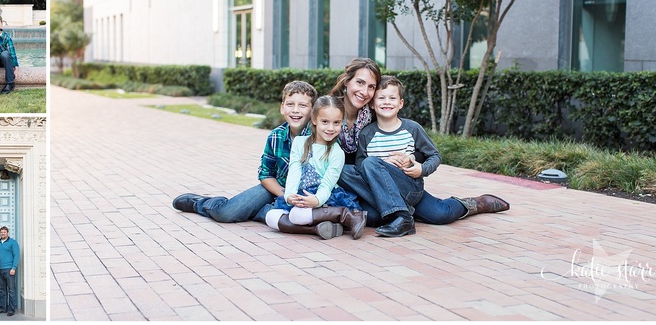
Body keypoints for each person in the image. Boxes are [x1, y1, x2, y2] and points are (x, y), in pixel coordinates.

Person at [339, 76, 510, 235]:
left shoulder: (412, 128)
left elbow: (434, 156)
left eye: (392, 98)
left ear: (401, 103)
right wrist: (381, 164)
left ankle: (475, 204)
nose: (387, 102)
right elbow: (360, 165)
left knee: (442, 214)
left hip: (408, 187)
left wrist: (421, 168)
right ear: (372, 104)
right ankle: (401, 213)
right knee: (350, 171)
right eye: (381, 98)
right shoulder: (367, 133)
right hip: (379, 192)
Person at [172, 81, 318, 224]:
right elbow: (266, 174)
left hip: (307, 194)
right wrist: (284, 194)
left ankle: (259, 211)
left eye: (303, 105)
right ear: (282, 108)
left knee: (291, 217)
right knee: (227, 214)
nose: (295, 110)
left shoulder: (319, 137)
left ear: (313, 111)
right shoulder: (276, 136)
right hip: (277, 188)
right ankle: (200, 203)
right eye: (290, 104)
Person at [265, 95, 366, 240]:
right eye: (325, 122)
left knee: (296, 215)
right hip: (301, 194)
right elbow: (294, 171)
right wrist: (289, 195)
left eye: (336, 123)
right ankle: (318, 229)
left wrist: (317, 200)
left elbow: (328, 183)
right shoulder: (300, 143)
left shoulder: (337, 152)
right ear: (314, 119)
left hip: (324, 196)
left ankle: (346, 215)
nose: (330, 128)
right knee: (271, 217)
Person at [0, 226, 19, 316]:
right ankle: (3, 308)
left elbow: (16, 255)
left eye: (4, 232)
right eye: (1, 232)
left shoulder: (13, 242)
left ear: (7, 233)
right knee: (2, 290)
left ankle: (11, 309)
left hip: (9, 269)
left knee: (11, 290)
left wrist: (14, 268)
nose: (2, 233)